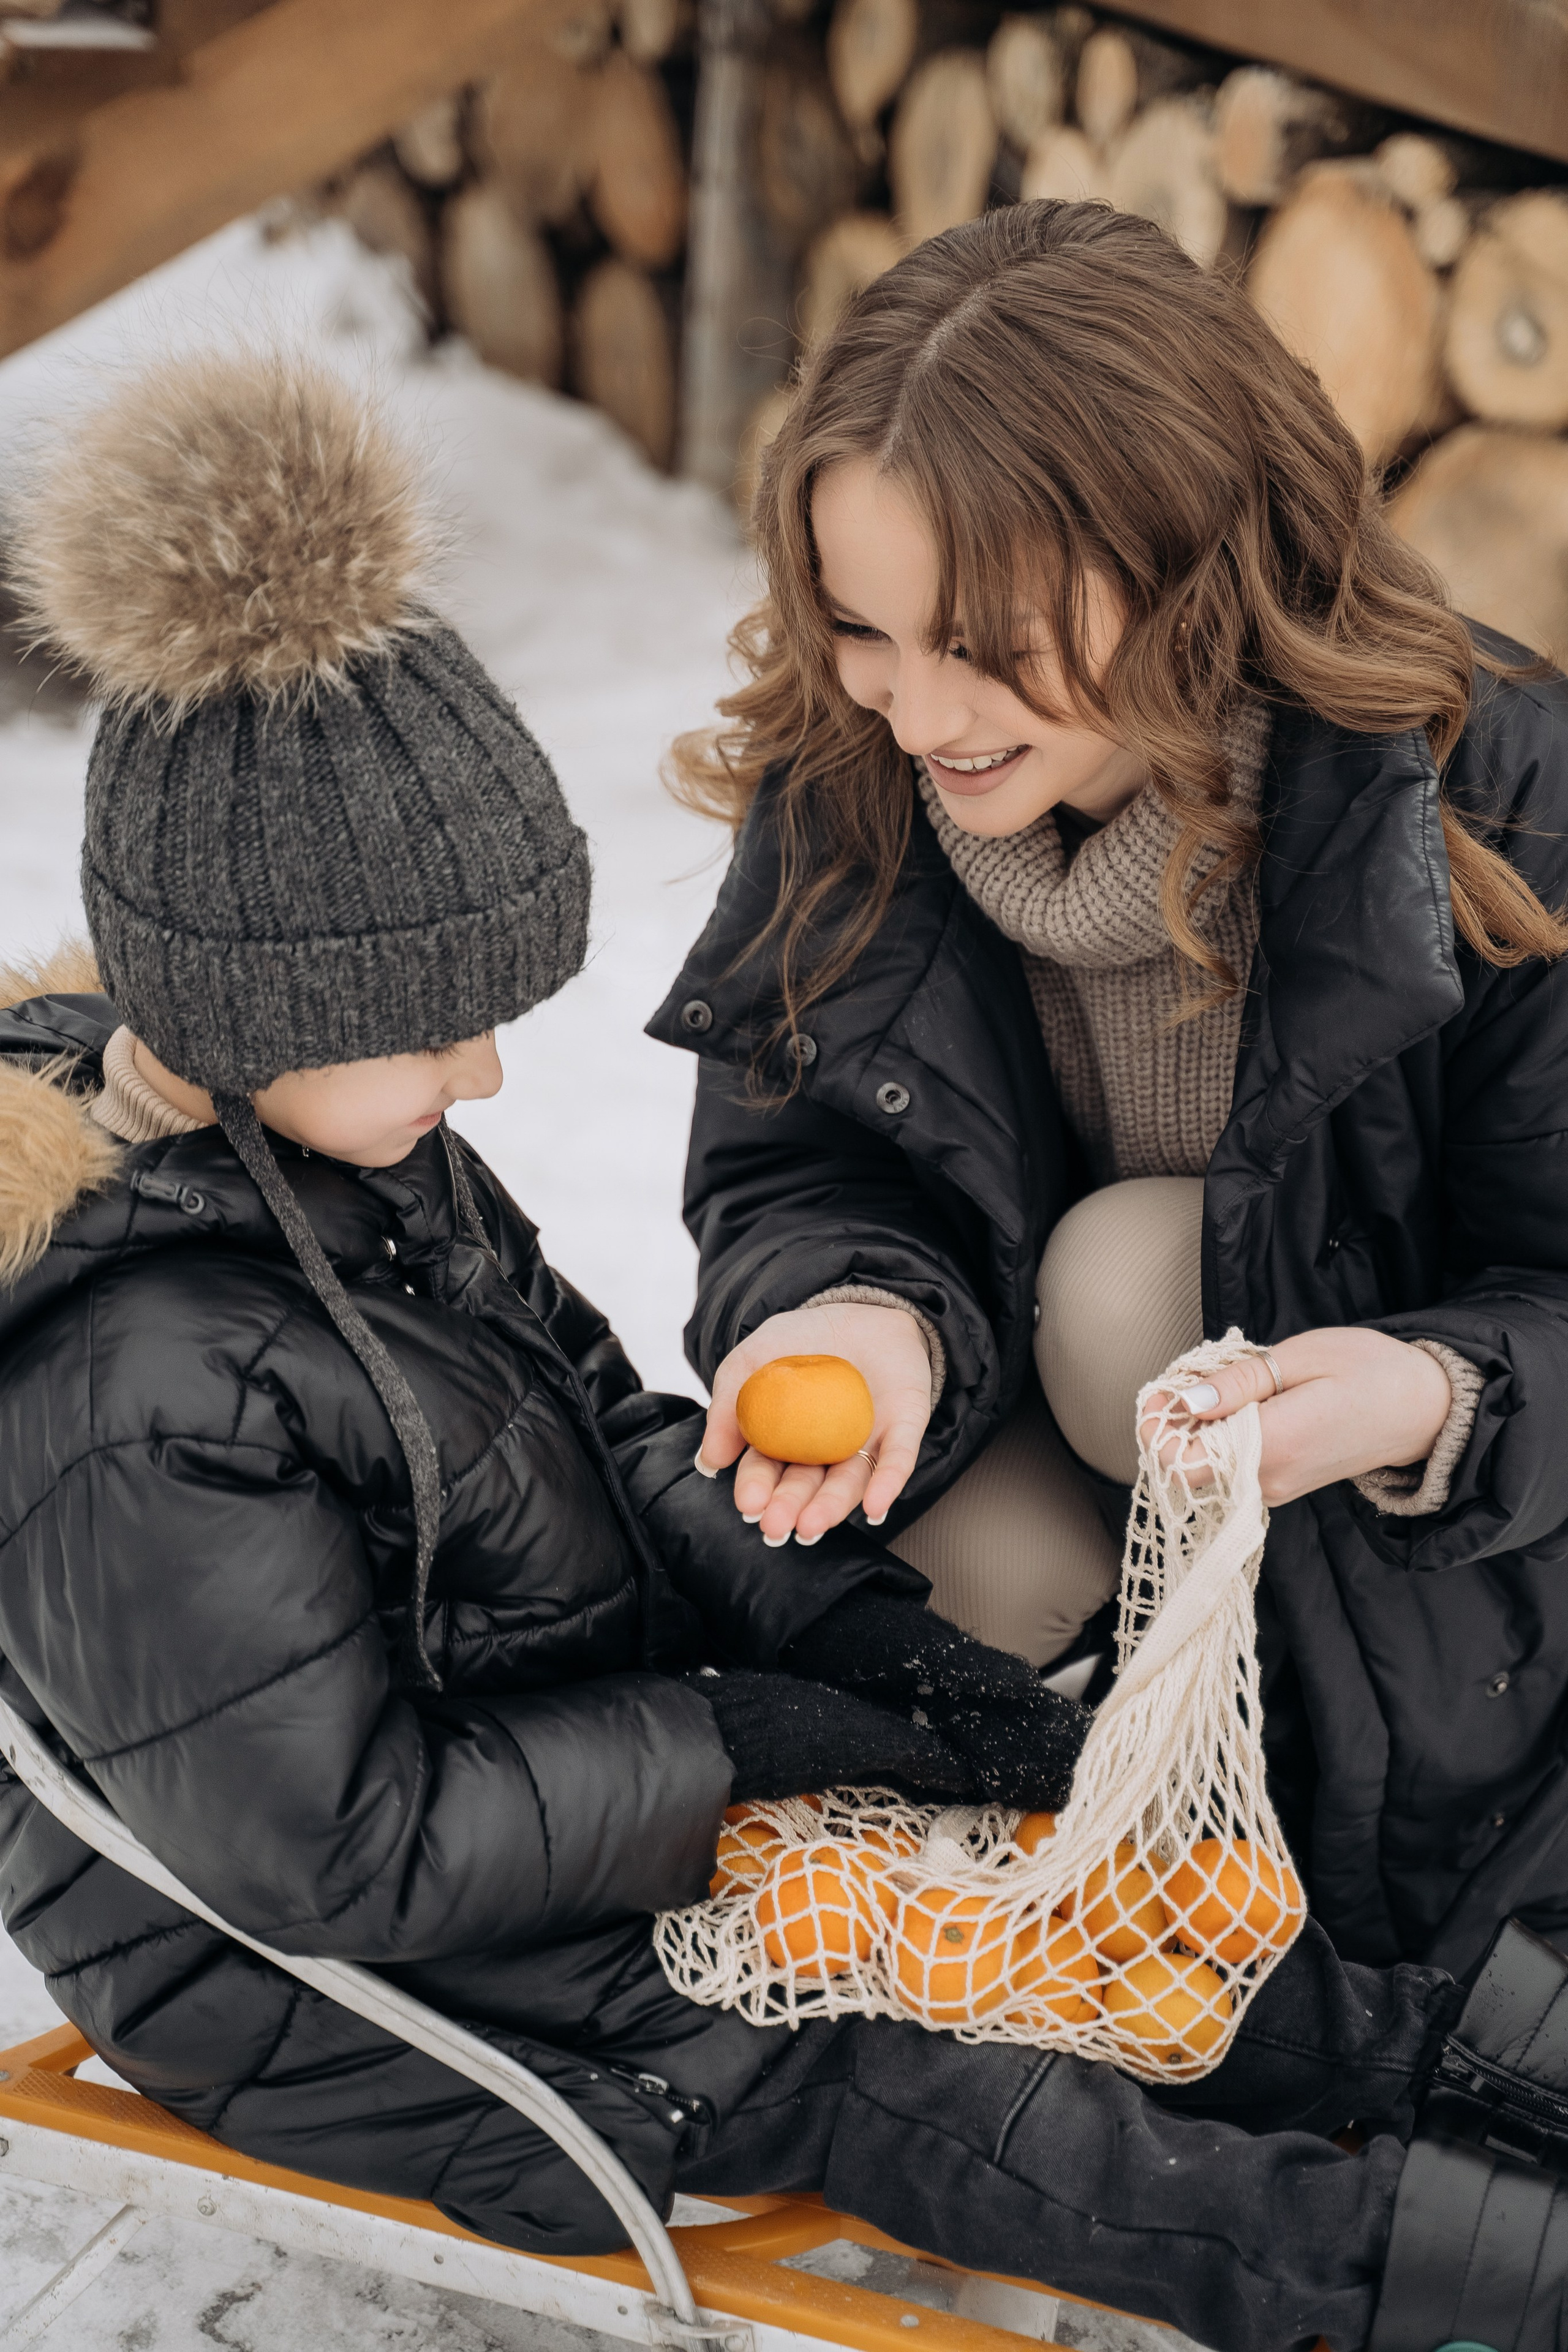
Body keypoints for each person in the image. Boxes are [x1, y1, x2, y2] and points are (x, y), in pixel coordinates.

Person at [2, 350, 1567, 2352]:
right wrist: (732, 1745)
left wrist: (859, 1661)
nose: (484, 1074)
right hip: (357, 1994)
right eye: (433, 1028)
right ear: (239, 1010)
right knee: (925, 2065)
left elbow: (606, 1432)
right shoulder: (135, 1386)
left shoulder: (366, 1175)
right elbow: (339, 1854)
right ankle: (1448, 2289)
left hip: (563, 1819)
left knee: (1051, 1887)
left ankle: (1464, 2060)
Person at [652, 198, 1568, 1983]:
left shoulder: (1502, 791)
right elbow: (792, 1172)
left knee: (1133, 1281)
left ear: (1192, 559)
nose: (921, 714)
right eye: (865, 629)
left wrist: (1434, 1399)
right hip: (1075, 1453)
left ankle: (1269, 1816)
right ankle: (1061, 1853)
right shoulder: (850, 777)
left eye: (987, 641)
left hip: (1421, 1544)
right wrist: (859, 1311)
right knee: (929, 1578)